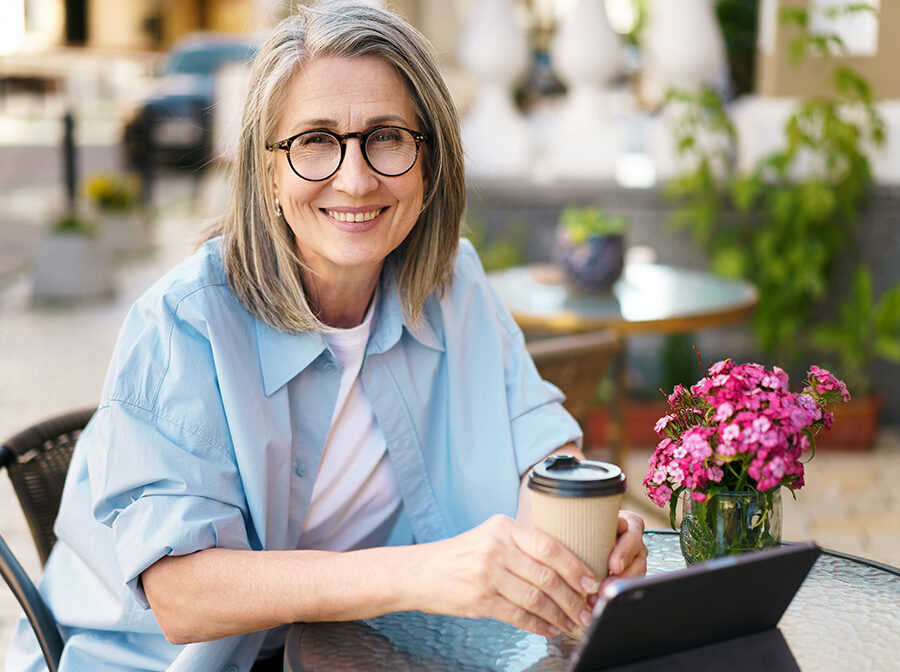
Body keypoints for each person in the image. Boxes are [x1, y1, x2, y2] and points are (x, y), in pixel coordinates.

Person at [7, 3, 647, 670]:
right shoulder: (182, 323)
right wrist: (422, 572)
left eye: (388, 136)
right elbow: (180, 594)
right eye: (314, 140)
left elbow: (541, 451)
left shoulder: (454, 285)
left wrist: (577, 536)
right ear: (270, 174)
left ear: (429, 159)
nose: (356, 177)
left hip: (367, 651)